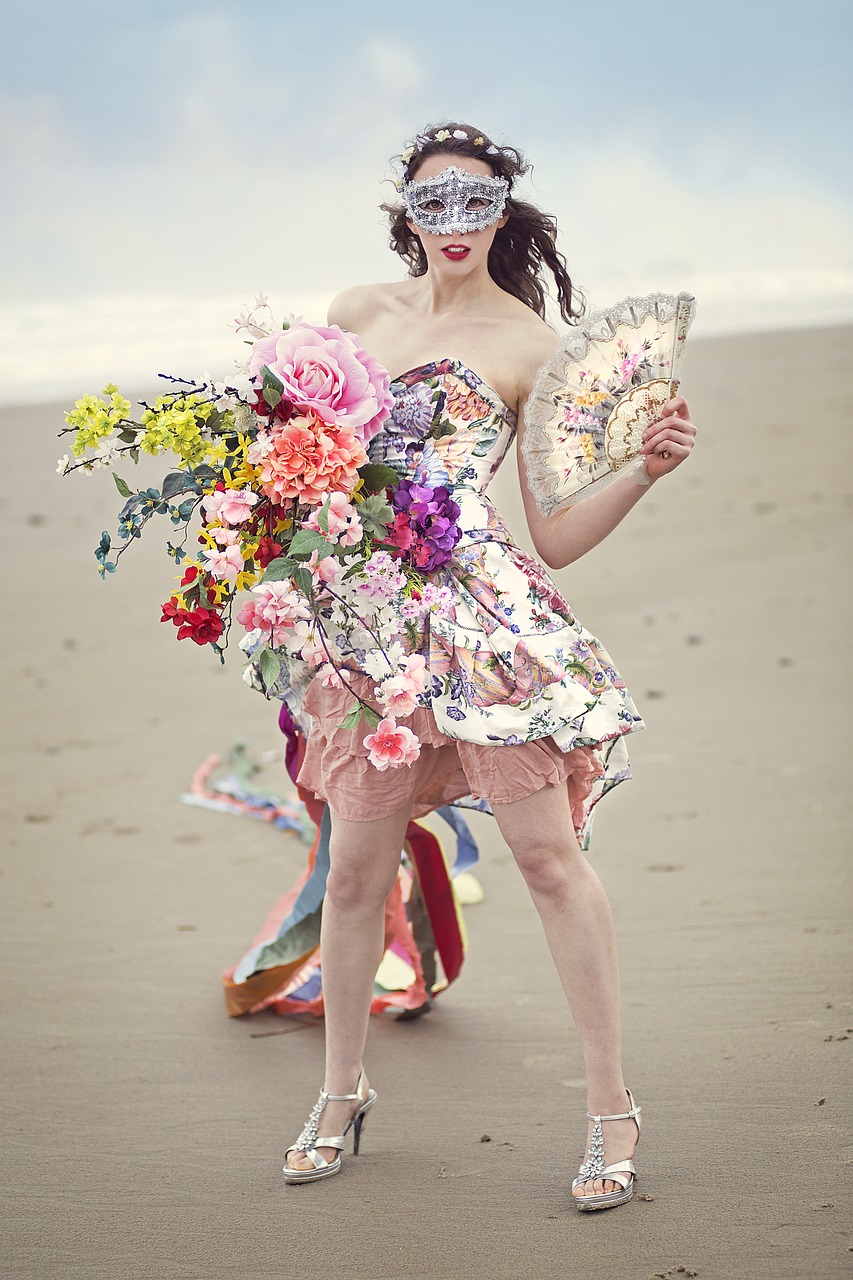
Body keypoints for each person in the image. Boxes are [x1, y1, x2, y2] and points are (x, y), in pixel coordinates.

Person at [281, 122, 697, 1211]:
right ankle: (340, 1092)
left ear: (502, 209)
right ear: (406, 212)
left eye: (475, 201)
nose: (454, 221)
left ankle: (611, 1108)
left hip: (480, 621)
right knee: (357, 867)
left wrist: (643, 472)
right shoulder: (350, 316)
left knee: (548, 861)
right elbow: (308, 463)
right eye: (434, 201)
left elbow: (550, 537)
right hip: (370, 624)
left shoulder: (527, 344)